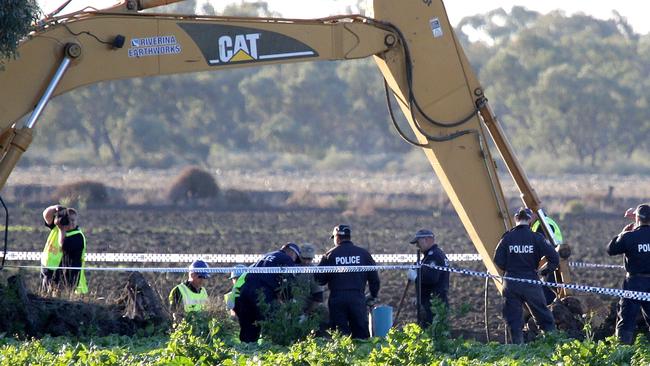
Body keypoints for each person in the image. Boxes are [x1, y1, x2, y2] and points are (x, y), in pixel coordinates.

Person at [493, 207, 559, 344]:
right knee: (544, 317)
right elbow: (554, 257)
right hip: (531, 282)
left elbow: (497, 259)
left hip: (511, 283)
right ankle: (552, 346)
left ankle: (518, 350)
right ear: (530, 220)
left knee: (514, 320)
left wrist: (510, 269)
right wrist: (544, 271)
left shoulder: (507, 237)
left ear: (516, 219)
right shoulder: (536, 238)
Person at [315, 224, 380, 339]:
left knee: (339, 334)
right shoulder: (363, 254)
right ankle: (362, 355)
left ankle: (342, 355)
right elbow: (374, 279)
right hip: (357, 298)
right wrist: (373, 295)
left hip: (337, 299)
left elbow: (319, 279)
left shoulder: (330, 255)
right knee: (361, 333)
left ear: (337, 237)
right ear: (349, 237)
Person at [233, 242, 300, 343]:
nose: (294, 261)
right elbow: (289, 281)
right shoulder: (286, 258)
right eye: (295, 258)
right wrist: (290, 300)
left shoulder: (267, 255)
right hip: (262, 293)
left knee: (248, 328)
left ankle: (246, 351)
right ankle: (272, 350)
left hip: (244, 292)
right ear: (291, 252)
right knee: (272, 325)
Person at [606, 203, 650, 344]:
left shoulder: (629, 237)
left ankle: (622, 352)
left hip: (634, 283)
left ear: (637, 218)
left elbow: (611, 249)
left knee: (627, 318)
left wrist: (622, 233)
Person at [40, 204, 87, 295]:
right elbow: (46, 215)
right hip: (48, 267)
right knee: (45, 296)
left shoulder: (77, 236)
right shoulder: (58, 226)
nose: (71, 223)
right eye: (69, 220)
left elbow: (63, 245)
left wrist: (62, 229)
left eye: (73, 220)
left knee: (58, 298)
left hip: (65, 275)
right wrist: (54, 208)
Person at [406, 229, 449, 327]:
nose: (417, 246)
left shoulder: (434, 256)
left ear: (427, 240)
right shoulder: (430, 256)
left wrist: (415, 278)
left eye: (418, 242)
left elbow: (431, 278)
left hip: (434, 303)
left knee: (431, 332)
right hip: (432, 302)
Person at [530, 211, 564, 305]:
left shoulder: (542, 225)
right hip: (552, 261)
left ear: (535, 214)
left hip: (550, 262)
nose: (528, 218)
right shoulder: (541, 223)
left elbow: (541, 247)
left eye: (530, 215)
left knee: (548, 293)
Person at [298, 243, 325, 313]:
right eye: (304, 258)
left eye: (309, 259)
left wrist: (306, 314)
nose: (306, 262)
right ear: (300, 255)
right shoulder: (291, 268)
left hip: (307, 309)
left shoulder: (314, 271)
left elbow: (318, 298)